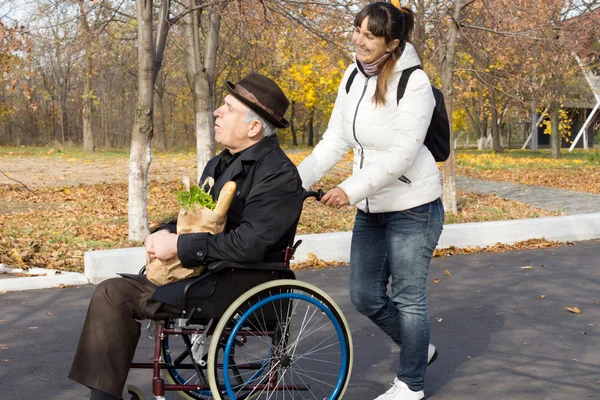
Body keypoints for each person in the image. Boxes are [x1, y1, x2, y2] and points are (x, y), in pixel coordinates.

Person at [69, 73, 305, 400]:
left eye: (227, 109)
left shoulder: (278, 174)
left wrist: (180, 246)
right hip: (199, 274)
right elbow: (190, 216)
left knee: (114, 295)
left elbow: (250, 244)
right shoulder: (219, 164)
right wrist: (163, 232)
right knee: (113, 293)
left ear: (253, 127)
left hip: (237, 283)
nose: (216, 114)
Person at [297, 3, 444, 400]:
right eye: (356, 30)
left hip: (414, 206)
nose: (357, 40)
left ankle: (411, 385)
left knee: (408, 298)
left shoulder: (414, 83)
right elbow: (335, 139)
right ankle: (418, 348)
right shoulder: (352, 76)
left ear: (392, 43)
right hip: (372, 207)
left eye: (369, 35)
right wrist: (294, 179)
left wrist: (349, 189)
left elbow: (401, 154)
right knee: (364, 295)